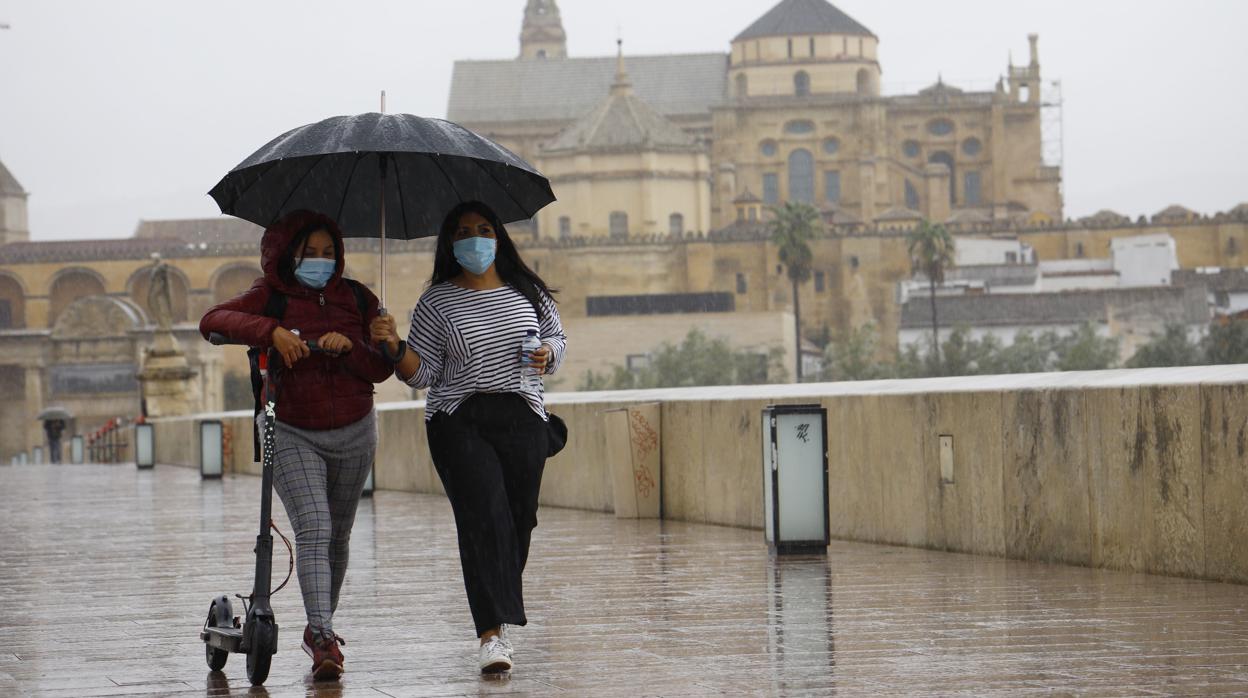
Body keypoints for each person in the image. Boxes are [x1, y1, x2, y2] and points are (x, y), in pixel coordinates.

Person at [370, 201, 567, 674]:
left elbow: (558, 342)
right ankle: (491, 634)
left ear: (498, 237)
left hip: (522, 415)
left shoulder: (528, 292)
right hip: (459, 418)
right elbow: (425, 375)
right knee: (483, 517)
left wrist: (545, 353)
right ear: (449, 244)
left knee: (519, 520)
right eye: (462, 232)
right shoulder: (436, 303)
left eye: (482, 229)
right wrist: (395, 349)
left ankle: (497, 607)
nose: (473, 239)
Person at [199, 209, 395, 681]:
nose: (322, 262)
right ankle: (325, 637)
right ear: (289, 255)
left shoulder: (359, 297)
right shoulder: (270, 297)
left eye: (330, 254)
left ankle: (316, 627)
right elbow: (212, 321)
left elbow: (381, 369)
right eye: (311, 254)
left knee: (339, 536)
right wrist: (272, 332)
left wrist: (360, 346)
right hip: (290, 428)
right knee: (314, 525)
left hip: (355, 430)